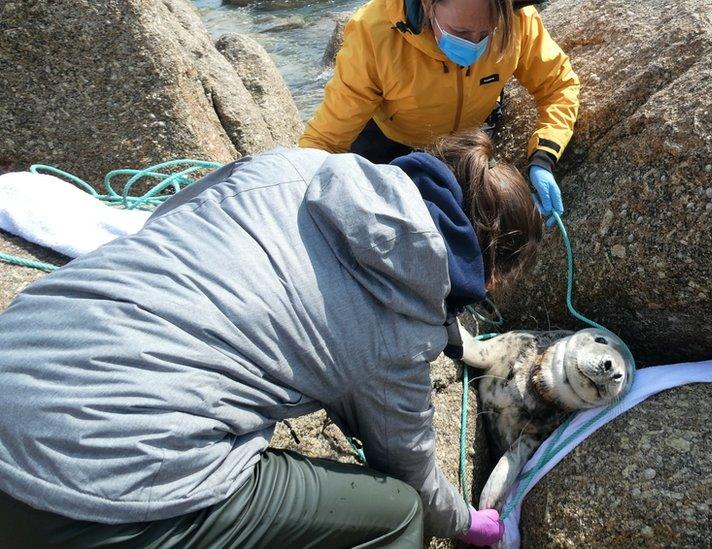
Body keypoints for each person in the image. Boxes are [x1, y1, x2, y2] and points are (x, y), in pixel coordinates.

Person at [0, 130, 542, 547]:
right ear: (490, 268)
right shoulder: (401, 333)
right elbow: (411, 470)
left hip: (17, 351)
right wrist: (470, 522)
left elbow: (167, 223)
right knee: (397, 514)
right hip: (87, 492)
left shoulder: (295, 164)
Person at [299, 0, 580, 226]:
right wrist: (296, 193)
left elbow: (559, 85)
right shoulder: (374, 34)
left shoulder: (516, 19)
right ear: (427, 5)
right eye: (461, 33)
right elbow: (325, 140)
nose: (475, 45)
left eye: (487, 33)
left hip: (468, 140)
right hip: (392, 143)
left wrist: (543, 158)